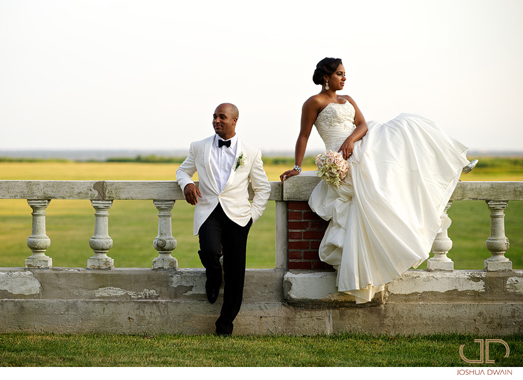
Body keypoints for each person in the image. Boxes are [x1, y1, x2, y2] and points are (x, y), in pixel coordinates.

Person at [280, 57, 477, 303]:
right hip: (340, 160)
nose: (344, 78)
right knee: (377, 190)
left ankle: (454, 159)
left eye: (344, 74)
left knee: (408, 124)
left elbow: (362, 124)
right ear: (325, 77)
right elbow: (304, 135)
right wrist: (297, 167)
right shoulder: (314, 102)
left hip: (359, 145)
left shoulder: (348, 99)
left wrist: (351, 139)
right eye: (339, 74)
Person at [177, 103, 271, 335]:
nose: (216, 120)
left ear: (234, 121)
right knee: (209, 251)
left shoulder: (250, 152)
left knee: (236, 272)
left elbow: (263, 189)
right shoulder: (198, 147)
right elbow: (182, 171)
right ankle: (213, 273)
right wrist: (187, 183)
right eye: (214, 117)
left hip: (239, 216)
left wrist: (252, 216)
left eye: (222, 117)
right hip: (209, 211)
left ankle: (225, 324)